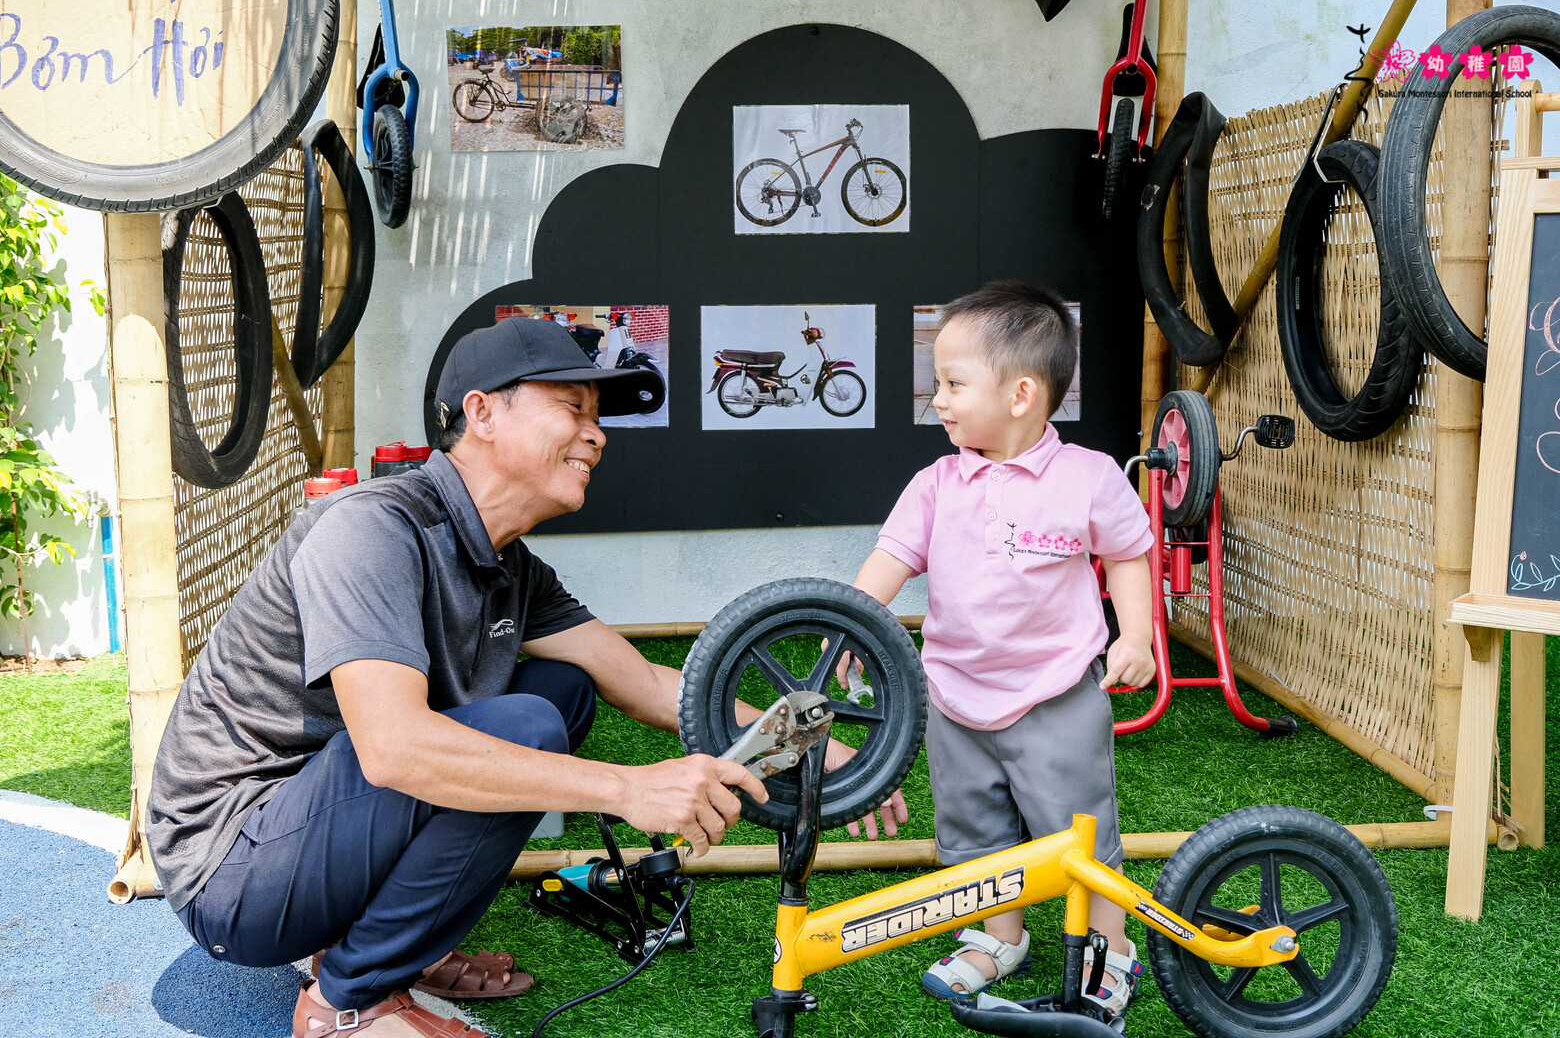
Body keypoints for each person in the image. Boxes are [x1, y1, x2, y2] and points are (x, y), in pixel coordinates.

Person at [146, 318, 773, 1038]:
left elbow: (645, 682)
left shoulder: (510, 565)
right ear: (481, 412)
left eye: (599, 420)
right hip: (232, 874)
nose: (597, 436)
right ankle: (346, 1004)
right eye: (573, 408)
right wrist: (627, 787)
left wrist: (809, 744)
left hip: (314, 829)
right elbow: (393, 749)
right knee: (528, 727)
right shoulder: (371, 528)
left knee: (560, 692)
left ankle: (402, 946)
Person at [840, 281, 1154, 1023]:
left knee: (1080, 836)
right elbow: (889, 560)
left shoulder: (1089, 478)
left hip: (1056, 698)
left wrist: (1135, 636)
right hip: (955, 696)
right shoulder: (935, 484)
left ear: (1020, 394)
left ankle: (1111, 949)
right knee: (976, 838)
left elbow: (1132, 555)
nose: (937, 399)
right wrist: (850, 623)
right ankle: (999, 939)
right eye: (937, 382)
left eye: (952, 382)